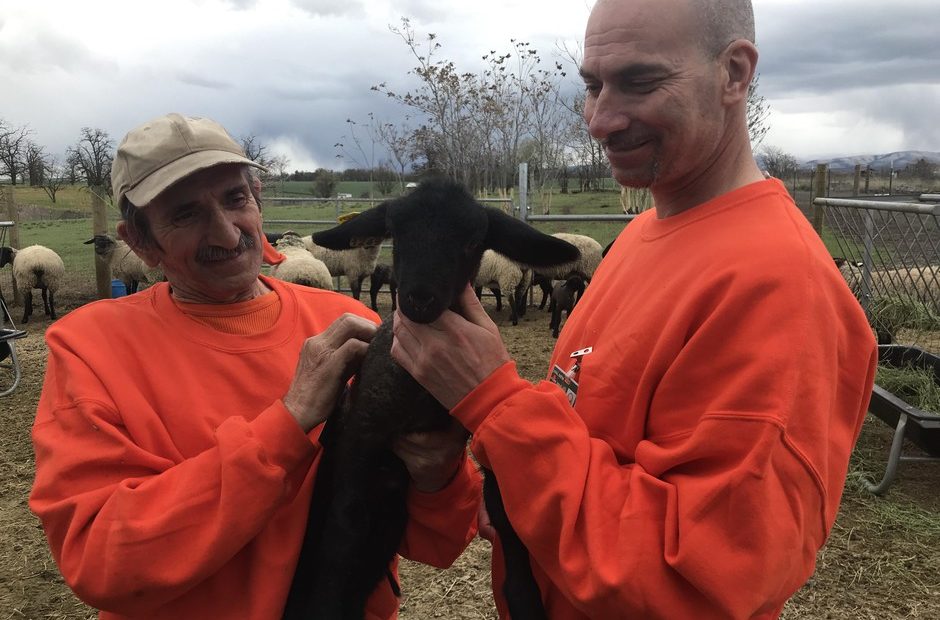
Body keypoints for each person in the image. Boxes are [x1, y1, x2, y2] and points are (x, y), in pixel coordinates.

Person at [390, 0, 878, 618]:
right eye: (593, 85)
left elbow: (695, 583)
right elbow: (587, 437)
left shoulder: (780, 287)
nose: (600, 120)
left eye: (640, 82)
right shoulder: (643, 236)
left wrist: (494, 403)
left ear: (734, 74)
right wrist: (507, 480)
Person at [29, 113, 480, 619]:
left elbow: (435, 543)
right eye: (184, 214)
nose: (226, 232)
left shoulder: (346, 323)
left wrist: (438, 476)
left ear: (258, 197)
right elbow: (102, 561)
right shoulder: (92, 348)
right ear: (140, 243)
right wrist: (287, 423)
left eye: (234, 198)